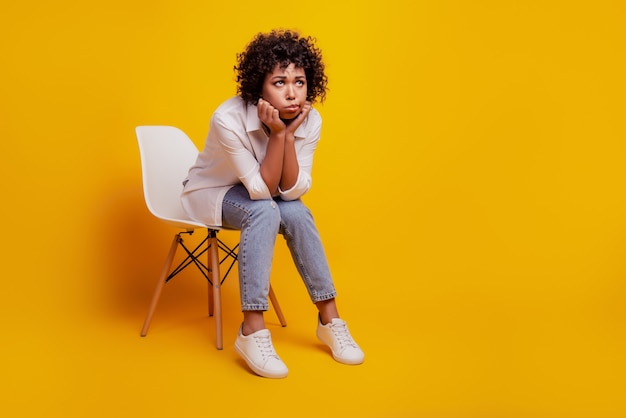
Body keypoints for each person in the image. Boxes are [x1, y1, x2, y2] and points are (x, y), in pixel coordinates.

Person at [181, 29, 364, 378]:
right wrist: (280, 133)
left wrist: (289, 134)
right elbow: (261, 191)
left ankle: (331, 320)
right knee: (264, 210)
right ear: (259, 88)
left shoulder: (311, 120)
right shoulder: (228, 118)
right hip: (211, 192)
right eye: (279, 82)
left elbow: (293, 191)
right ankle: (251, 330)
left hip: (260, 195)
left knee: (295, 212)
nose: (292, 92)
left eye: (300, 81)